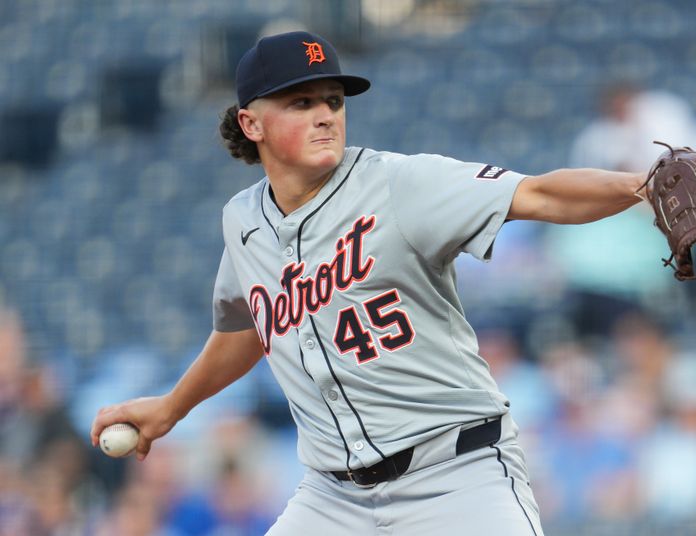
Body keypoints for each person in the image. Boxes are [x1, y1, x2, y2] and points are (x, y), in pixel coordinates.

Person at [90, 31, 649, 536]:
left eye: (333, 100)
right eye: (300, 102)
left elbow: (541, 194)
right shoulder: (243, 221)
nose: (326, 115)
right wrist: (172, 407)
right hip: (332, 499)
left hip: (456, 477)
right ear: (250, 123)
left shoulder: (400, 183)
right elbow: (253, 326)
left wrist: (641, 185)